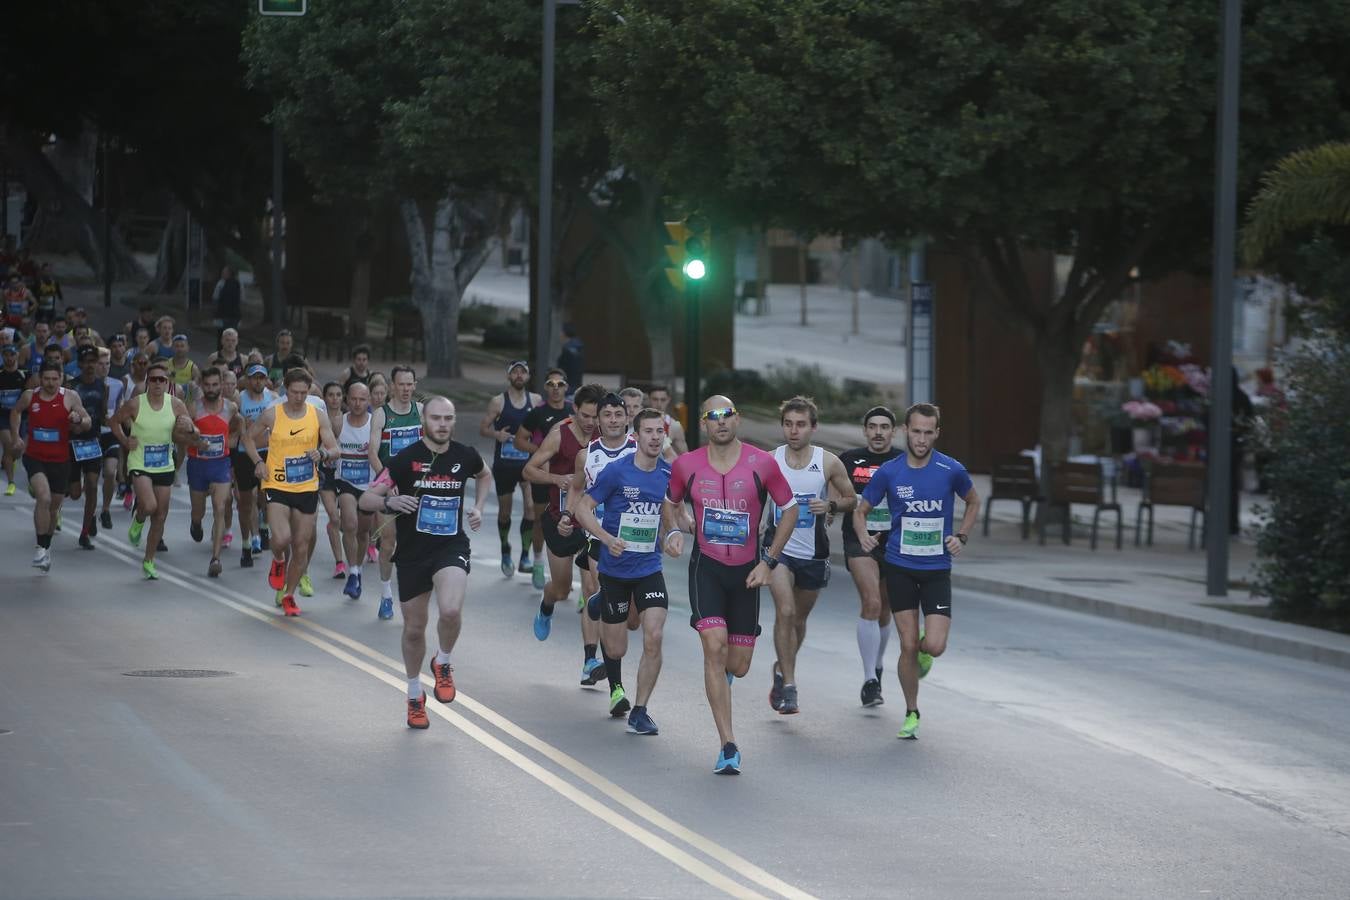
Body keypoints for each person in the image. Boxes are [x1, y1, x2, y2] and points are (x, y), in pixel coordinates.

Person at [663, 396, 798, 774]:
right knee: (714, 646)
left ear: (737, 419)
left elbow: (790, 510)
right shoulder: (686, 465)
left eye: (727, 415)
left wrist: (768, 561)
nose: (720, 422)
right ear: (703, 424)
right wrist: (674, 528)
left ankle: (721, 678)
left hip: (747, 574)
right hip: (706, 568)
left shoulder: (762, 463)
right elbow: (669, 501)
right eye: (712, 417)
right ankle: (728, 744)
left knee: (737, 666)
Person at [358, 396, 491, 729]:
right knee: (415, 630)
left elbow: (484, 475)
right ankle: (415, 694)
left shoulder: (465, 455)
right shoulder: (407, 459)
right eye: (436, 418)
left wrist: (478, 507)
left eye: (448, 418)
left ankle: (443, 662)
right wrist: (390, 500)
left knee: (450, 610)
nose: (443, 424)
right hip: (413, 553)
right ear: (424, 422)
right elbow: (366, 498)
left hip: (450, 547)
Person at [853, 403, 980, 741]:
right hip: (900, 567)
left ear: (937, 433)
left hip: (937, 568)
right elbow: (861, 509)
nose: (922, 439)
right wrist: (864, 535)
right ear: (906, 431)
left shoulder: (950, 469)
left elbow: (973, 501)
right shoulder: (890, 472)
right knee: (907, 644)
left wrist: (962, 535)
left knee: (933, 645)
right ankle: (911, 712)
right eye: (916, 431)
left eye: (928, 432)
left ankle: (925, 654)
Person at [571, 408, 673, 735]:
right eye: (649, 432)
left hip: (649, 568)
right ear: (637, 435)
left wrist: (678, 534)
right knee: (616, 649)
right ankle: (616, 686)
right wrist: (605, 538)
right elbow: (582, 508)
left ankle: (640, 711)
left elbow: (680, 516)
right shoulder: (616, 472)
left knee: (653, 635)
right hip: (615, 569)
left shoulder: (669, 475)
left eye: (660, 432)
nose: (655, 437)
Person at [764, 396, 856, 716]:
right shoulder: (771, 459)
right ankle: (789, 686)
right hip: (778, 548)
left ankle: (781, 667)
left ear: (813, 428)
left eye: (801, 424)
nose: (794, 430)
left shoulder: (828, 462)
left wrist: (829, 506)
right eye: (788, 424)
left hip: (813, 552)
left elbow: (851, 499)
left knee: (799, 620)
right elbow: (749, 496)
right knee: (785, 611)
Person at [243, 368, 339, 615]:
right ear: (286, 390)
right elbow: (248, 438)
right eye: (294, 392)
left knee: (301, 545)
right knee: (282, 539)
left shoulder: (317, 416)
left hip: (307, 485)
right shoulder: (272, 414)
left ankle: (288, 595)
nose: (299, 397)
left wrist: (324, 454)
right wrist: (258, 462)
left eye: (304, 393)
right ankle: (277, 560)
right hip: (277, 483)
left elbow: (334, 448)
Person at [562, 392, 637, 701]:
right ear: (598, 420)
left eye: (618, 414)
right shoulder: (587, 454)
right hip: (599, 537)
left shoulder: (641, 448)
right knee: (607, 604)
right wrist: (568, 514)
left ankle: (600, 600)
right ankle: (614, 686)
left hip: (636, 540)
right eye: (607, 415)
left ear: (627, 418)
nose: (613, 420)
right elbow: (578, 489)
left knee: (632, 619)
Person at [523, 384, 604, 653]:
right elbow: (529, 470)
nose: (592, 422)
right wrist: (556, 479)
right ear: (575, 411)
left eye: (596, 416)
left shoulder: (607, 435)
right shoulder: (559, 435)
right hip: (560, 521)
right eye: (586, 416)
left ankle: (590, 659)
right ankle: (546, 607)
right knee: (561, 589)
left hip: (591, 522)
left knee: (591, 588)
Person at [109, 361, 200, 580]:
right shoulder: (135, 404)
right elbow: (113, 422)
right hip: (140, 462)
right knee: (149, 506)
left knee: (160, 515)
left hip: (164, 464)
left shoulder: (176, 404)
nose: (158, 383)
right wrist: (124, 440)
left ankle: (149, 560)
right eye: (154, 379)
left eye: (162, 379)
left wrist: (192, 429)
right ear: (147, 382)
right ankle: (139, 520)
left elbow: (190, 430)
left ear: (168, 383)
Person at [839, 406, 903, 707]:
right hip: (859, 540)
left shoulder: (904, 460)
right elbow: (836, 495)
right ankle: (869, 681)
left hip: (896, 542)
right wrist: (831, 507)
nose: (878, 432)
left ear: (894, 431)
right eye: (873, 426)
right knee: (872, 602)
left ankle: (877, 663)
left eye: (884, 427)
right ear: (865, 431)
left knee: (886, 607)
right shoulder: (849, 460)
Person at [10, 362, 93, 571]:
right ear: (40, 378)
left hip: (60, 460)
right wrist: (16, 436)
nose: (50, 383)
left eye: (54, 379)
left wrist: (79, 420)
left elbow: (87, 421)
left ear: (62, 378)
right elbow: (16, 412)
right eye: (46, 379)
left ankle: (46, 549)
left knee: (54, 507)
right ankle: (40, 548)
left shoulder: (70, 397)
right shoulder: (31, 396)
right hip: (34, 457)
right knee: (44, 498)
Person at [367, 365, 422, 620]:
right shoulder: (381, 415)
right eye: (401, 384)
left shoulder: (421, 412)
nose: (406, 389)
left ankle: (411, 596)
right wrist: (388, 481)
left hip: (418, 487)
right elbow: (372, 453)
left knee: (415, 544)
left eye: (410, 384)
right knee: (388, 542)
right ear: (392, 386)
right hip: (388, 485)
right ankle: (386, 595)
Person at [479, 360, 541, 577]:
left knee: (531, 508)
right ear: (509, 376)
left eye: (522, 372)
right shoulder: (498, 402)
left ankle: (525, 556)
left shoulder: (536, 400)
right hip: (505, 464)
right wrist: (497, 435)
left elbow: (542, 427)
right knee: (505, 512)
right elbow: (483, 428)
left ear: (528, 376)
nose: (518, 376)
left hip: (528, 464)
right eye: (515, 372)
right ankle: (505, 550)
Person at [513, 368, 572, 589]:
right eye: (551, 384)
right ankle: (537, 562)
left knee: (571, 521)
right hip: (544, 475)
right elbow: (519, 440)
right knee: (540, 520)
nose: (555, 389)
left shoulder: (573, 412)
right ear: (545, 387)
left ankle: (571, 571)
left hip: (567, 477)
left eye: (560, 384)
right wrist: (540, 450)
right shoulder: (537, 413)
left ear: (566, 387)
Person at [186, 367, 243, 577]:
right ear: (202, 386)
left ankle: (215, 558)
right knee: (198, 511)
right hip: (197, 465)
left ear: (221, 384)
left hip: (220, 464)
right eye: (207, 385)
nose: (211, 389)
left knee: (220, 506)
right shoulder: (193, 409)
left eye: (215, 385)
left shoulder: (231, 408)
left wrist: (233, 440)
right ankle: (196, 522)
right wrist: (194, 441)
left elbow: (239, 426)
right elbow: (178, 434)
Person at [233, 363, 278, 566]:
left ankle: (264, 525)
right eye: (254, 377)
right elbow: (233, 428)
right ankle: (247, 545)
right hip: (244, 455)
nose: (258, 381)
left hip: (268, 453)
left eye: (261, 377)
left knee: (266, 497)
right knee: (246, 501)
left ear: (266, 379)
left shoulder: (273, 399)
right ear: (247, 380)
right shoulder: (239, 399)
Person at [66, 347, 111, 551]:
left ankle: (84, 532)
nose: (91, 365)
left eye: (95, 361)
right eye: (88, 361)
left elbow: (102, 414)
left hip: (93, 442)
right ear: (80, 364)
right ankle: (88, 510)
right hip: (73, 443)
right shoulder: (71, 386)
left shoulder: (103, 386)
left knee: (92, 485)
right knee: (75, 493)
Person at [335, 381, 375, 600]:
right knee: (349, 524)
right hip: (346, 483)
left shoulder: (374, 424)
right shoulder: (338, 423)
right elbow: (327, 445)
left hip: (369, 486)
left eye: (362, 399)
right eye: (354, 399)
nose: (358, 403)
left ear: (368, 401)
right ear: (346, 400)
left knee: (362, 532)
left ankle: (357, 570)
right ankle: (351, 572)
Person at [97, 347, 131, 533]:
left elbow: (120, 408)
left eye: (107, 364)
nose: (104, 367)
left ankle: (105, 510)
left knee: (110, 472)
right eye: (100, 364)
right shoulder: (84, 383)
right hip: (91, 434)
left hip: (110, 434)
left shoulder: (118, 384)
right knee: (91, 480)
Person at [318, 381, 347, 579]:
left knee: (348, 521)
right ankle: (339, 563)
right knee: (334, 517)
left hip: (346, 474)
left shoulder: (349, 418)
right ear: (325, 397)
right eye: (331, 395)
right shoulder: (318, 418)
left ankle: (369, 543)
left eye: (338, 395)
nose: (335, 398)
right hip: (325, 473)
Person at [0, 342, 26, 495]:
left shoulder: (24, 375)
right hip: (2, 416)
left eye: (12, 354)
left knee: (17, 449)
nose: (9, 358)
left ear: (17, 355)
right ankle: (11, 483)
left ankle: (12, 459)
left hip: (19, 416)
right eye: (6, 355)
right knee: (9, 445)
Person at [645, 384, 689, 456]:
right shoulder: (638, 422)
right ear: (649, 399)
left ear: (668, 400)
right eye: (655, 399)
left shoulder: (675, 426)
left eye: (663, 400)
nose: (659, 404)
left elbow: (685, 457)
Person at [213, 265, 242, 344]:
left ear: (229, 274)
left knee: (226, 336)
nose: (222, 274)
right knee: (227, 335)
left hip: (228, 315)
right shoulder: (224, 283)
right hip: (229, 314)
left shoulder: (224, 284)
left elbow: (216, 298)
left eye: (224, 272)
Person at [556, 323, 584, 399]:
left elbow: (563, 370)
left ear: (564, 333)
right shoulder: (578, 348)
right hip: (576, 387)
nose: (559, 334)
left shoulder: (568, 350)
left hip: (568, 388)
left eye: (561, 332)